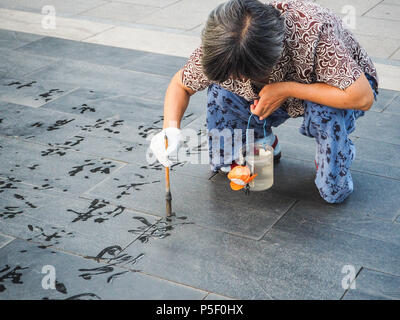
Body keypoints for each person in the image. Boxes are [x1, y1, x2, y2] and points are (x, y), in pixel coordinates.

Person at [150, 0, 379, 204]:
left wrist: (286, 88)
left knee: (333, 189)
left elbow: (362, 96)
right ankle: (262, 139)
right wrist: (171, 130)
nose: (240, 81)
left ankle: (335, 155)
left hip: (336, 88)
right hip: (273, 92)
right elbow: (180, 84)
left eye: (245, 76)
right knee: (221, 96)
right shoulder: (223, 46)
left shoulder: (311, 30)